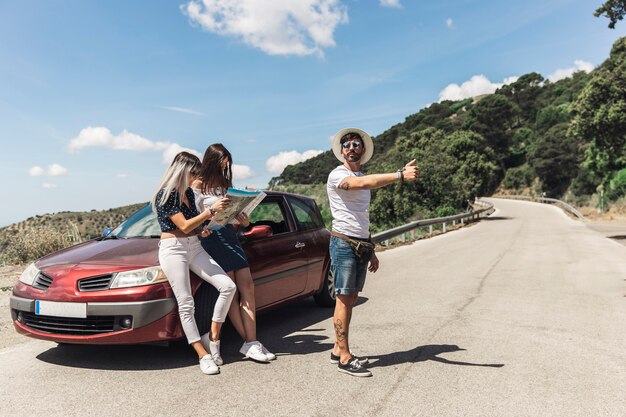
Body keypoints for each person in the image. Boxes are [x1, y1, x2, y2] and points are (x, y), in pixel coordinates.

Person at [326, 127, 419, 377]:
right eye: (346, 145)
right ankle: (345, 358)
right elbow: (361, 183)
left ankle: (337, 348)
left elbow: (361, 217)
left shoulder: (362, 175)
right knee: (344, 298)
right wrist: (399, 175)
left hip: (361, 244)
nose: (351, 148)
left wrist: (372, 249)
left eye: (356, 144)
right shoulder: (338, 175)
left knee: (352, 297)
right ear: (341, 151)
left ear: (363, 150)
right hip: (343, 243)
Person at [151, 151, 236, 375]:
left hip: (194, 246)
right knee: (186, 303)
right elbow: (184, 225)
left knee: (228, 287)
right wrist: (210, 211)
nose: (195, 177)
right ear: (183, 171)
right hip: (173, 250)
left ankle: (213, 337)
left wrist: (204, 229)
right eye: (193, 173)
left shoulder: (189, 192)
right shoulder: (166, 195)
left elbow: (192, 227)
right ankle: (202, 354)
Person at [191, 143, 276, 363]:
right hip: (212, 238)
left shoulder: (225, 183)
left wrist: (244, 218)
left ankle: (252, 342)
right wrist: (209, 216)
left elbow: (235, 214)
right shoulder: (197, 184)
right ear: (211, 161)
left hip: (230, 234)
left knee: (248, 287)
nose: (225, 168)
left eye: (227, 165)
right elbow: (193, 217)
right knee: (232, 292)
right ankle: (248, 342)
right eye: (221, 164)